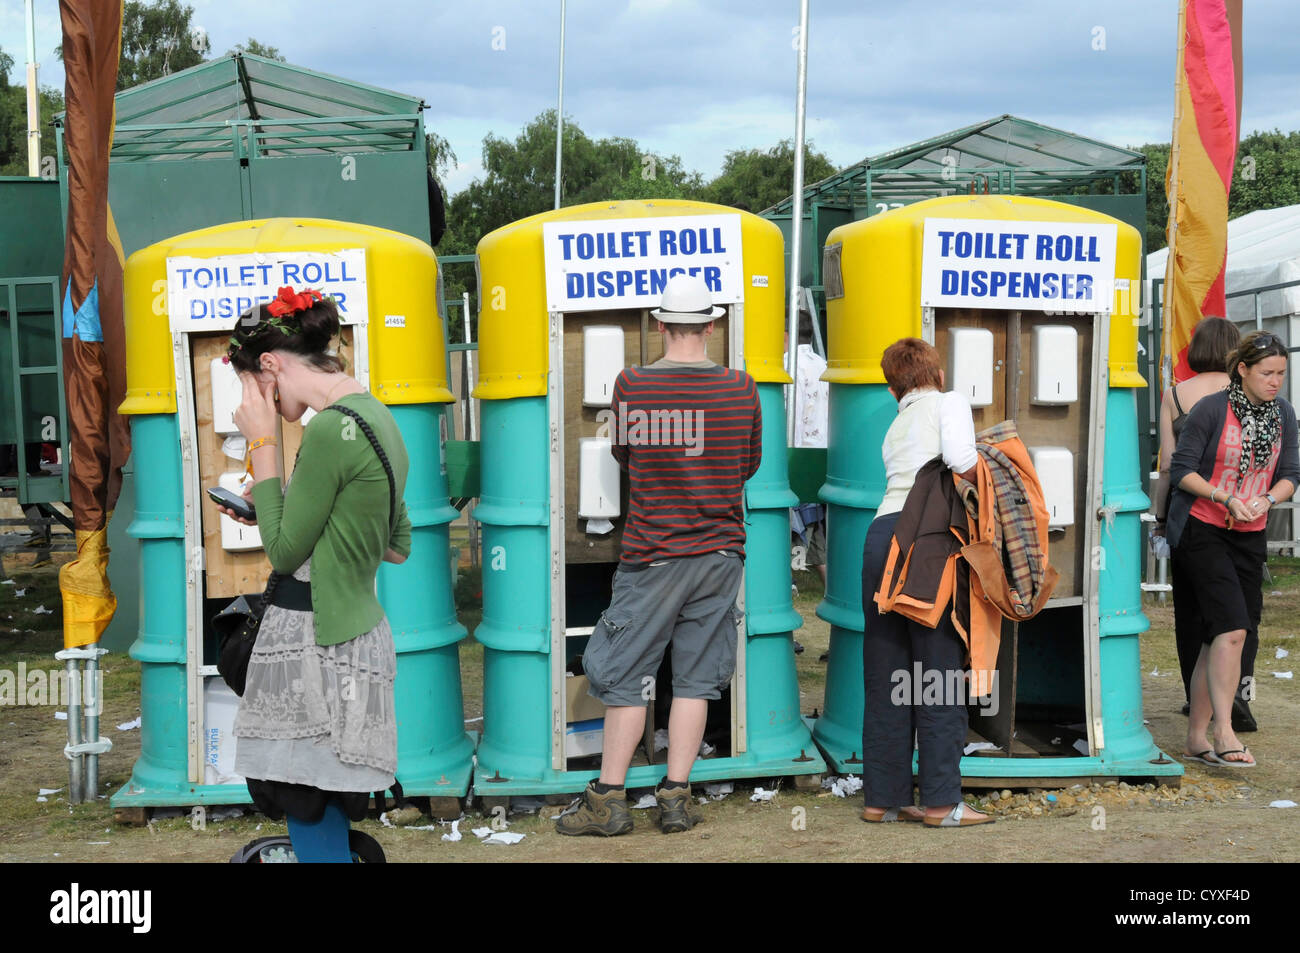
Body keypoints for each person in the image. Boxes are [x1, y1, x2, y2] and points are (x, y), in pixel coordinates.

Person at [556, 273, 761, 836]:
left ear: (660, 324)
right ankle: (675, 797)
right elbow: (747, 465)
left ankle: (609, 799)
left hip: (653, 555)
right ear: (712, 324)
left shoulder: (632, 386)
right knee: (696, 680)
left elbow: (622, 453)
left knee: (625, 677)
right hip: (721, 553)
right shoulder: (742, 388)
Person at [216, 286, 412, 861]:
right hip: (356, 633)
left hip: (315, 641)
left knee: (302, 794)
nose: (254, 400)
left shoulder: (327, 429)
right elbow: (395, 543)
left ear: (270, 367)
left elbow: (281, 553)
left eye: (251, 385)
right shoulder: (374, 414)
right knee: (322, 792)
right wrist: (281, 499)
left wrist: (261, 444)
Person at [861, 338, 991, 827]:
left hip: (880, 540)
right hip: (928, 544)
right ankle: (941, 803)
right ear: (936, 373)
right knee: (936, 674)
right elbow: (961, 460)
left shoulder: (895, 425)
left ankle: (883, 798)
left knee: (887, 671)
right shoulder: (949, 402)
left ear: (895, 385)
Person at [1169, 330, 1299, 768]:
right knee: (1232, 629)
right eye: (1267, 372)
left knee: (1219, 635)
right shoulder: (1212, 409)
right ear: (1241, 370)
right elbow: (1181, 471)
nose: (1276, 381)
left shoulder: (1283, 414)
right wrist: (1225, 497)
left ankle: (1195, 737)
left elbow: (1291, 472)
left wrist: (1265, 500)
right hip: (1203, 527)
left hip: (1250, 530)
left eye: (1282, 373)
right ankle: (1224, 730)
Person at [1151, 318, 1243, 721]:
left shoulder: (1175, 394)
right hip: (1240, 507)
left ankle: (1197, 697)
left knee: (1191, 609)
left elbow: (1168, 464)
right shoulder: (1246, 392)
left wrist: (1158, 516)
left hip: (1188, 509)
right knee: (1239, 609)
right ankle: (1238, 693)